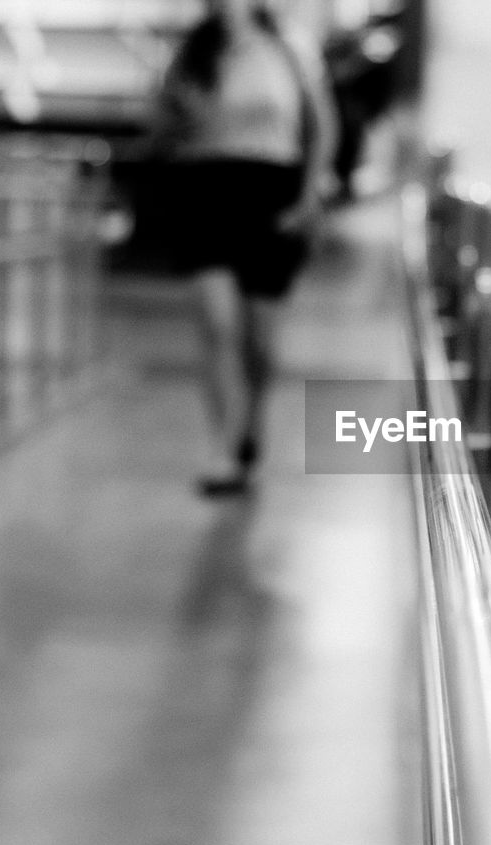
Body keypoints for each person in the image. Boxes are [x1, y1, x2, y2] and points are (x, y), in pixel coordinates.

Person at [150, 0, 338, 495]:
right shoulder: (194, 51)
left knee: (261, 339)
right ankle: (222, 446)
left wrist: (309, 194)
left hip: (270, 195)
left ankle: (251, 423)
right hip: (204, 191)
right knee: (216, 325)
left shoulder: (289, 46)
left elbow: (322, 126)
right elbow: (160, 125)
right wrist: (178, 111)